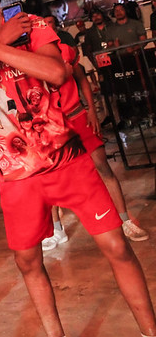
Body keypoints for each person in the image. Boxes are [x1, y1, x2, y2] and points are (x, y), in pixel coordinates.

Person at [0, 0, 156, 337]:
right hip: (16, 176)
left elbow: (56, 73)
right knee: (27, 262)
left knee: (116, 246)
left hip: (68, 161)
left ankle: (150, 334)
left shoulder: (33, 26)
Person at [41, 15, 149, 245]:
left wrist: (91, 109)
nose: (47, 27)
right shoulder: (29, 55)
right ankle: (57, 230)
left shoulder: (65, 48)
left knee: (103, 168)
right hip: (53, 125)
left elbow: (80, 77)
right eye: (43, 23)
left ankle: (124, 220)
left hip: (77, 116)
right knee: (52, 179)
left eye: (50, 22)